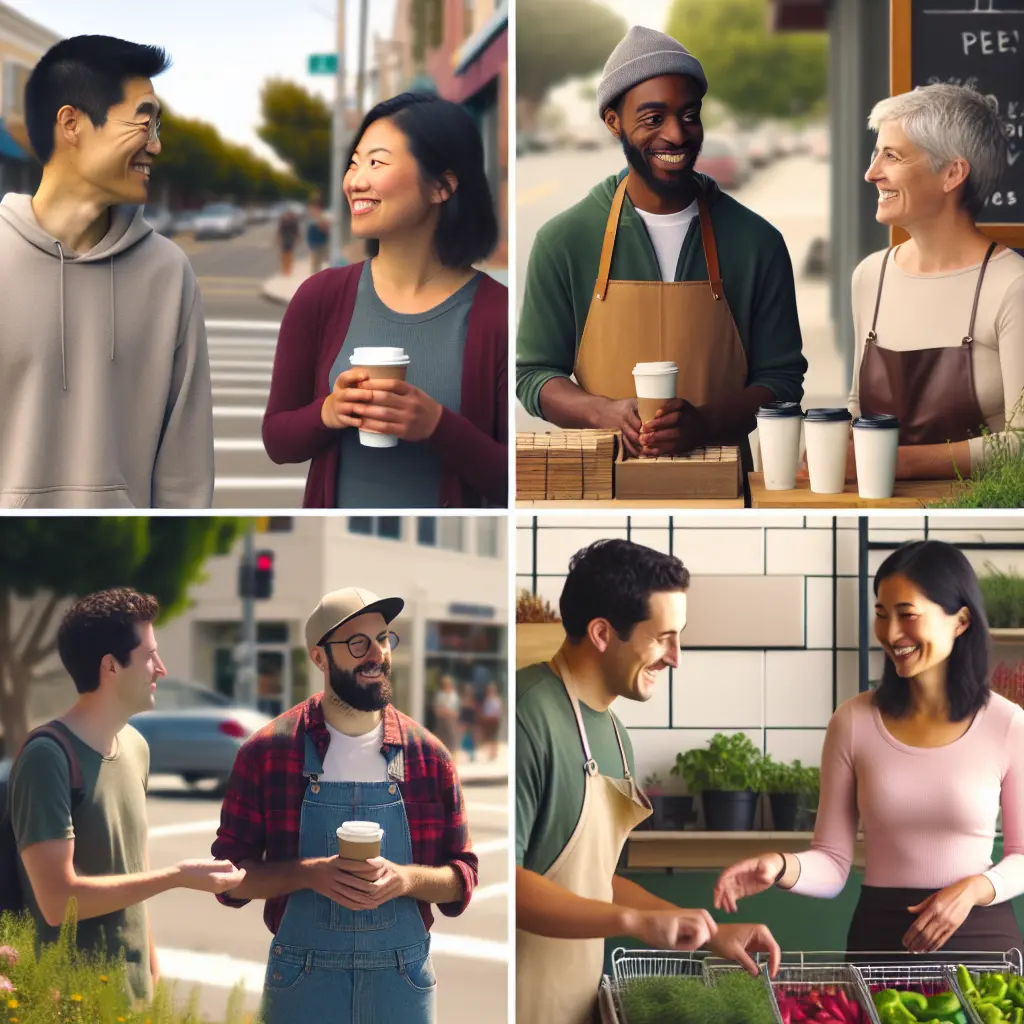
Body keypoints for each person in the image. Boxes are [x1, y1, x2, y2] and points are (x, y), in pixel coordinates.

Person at [715, 540, 1024, 957]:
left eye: (907, 615)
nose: (892, 634)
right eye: (882, 615)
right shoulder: (853, 721)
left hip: (983, 939)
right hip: (880, 940)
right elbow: (832, 863)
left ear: (961, 621)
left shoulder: (1008, 723)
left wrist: (974, 889)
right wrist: (781, 866)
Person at [516, 539, 780, 1024]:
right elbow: (502, 883)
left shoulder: (616, 737)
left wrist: (708, 933)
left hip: (575, 1005)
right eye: (662, 637)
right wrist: (636, 924)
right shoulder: (524, 716)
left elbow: (592, 882)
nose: (676, 657)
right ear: (601, 632)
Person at [516, 26, 806, 466]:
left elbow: (782, 380)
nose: (676, 135)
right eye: (653, 119)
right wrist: (602, 412)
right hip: (600, 489)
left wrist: (705, 423)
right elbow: (534, 375)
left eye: (690, 115)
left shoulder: (757, 243)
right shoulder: (564, 240)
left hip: (723, 490)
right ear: (613, 121)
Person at [211, 587, 478, 1023]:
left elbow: (462, 876)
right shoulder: (267, 753)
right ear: (320, 659)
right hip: (302, 982)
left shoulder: (429, 756)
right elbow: (228, 879)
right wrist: (309, 874)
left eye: (384, 638)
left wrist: (405, 879)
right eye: (358, 643)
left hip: (402, 983)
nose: (377, 654)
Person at [262, 92, 507, 509]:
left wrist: (437, 426)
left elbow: (511, 484)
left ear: (442, 186)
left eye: (376, 163)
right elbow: (278, 440)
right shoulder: (319, 297)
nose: (355, 180)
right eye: (354, 162)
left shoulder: (496, 315)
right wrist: (330, 411)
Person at [0, 35, 214, 508]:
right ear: (72, 124)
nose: (155, 146)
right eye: (143, 122)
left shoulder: (168, 273)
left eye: (159, 127)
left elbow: (186, 467)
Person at [7, 589, 244, 1004]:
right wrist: (178, 878)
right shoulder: (47, 757)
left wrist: (152, 977)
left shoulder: (136, 747)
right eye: (150, 655)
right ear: (111, 666)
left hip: (132, 1000)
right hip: (69, 1002)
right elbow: (57, 902)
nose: (162, 669)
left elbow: (134, 864)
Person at [847, 85, 1024, 481]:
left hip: (978, 515)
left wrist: (892, 463)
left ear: (952, 174)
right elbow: (859, 407)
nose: (872, 173)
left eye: (891, 155)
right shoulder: (870, 276)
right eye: (876, 154)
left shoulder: (1012, 287)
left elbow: (1021, 443)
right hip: (875, 509)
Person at [431, 674, 459, 752]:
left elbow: (456, 711)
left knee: (451, 739)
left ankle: (453, 755)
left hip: (450, 721)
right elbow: (436, 709)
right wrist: (443, 712)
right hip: (441, 720)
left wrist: (448, 712)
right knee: (441, 738)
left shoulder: (454, 696)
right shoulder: (439, 695)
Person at [479, 682, 503, 761]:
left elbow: (498, 711)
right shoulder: (486, 700)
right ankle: (490, 753)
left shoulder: (497, 700)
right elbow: (484, 710)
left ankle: (494, 752)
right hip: (487, 721)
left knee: (494, 737)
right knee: (489, 738)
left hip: (494, 721)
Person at [306, 195, 330, 274]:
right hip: (312, 243)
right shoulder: (311, 217)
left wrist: (319, 222)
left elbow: (326, 230)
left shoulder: (322, 216)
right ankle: (314, 278)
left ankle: (315, 279)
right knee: (314, 264)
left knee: (317, 264)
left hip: (319, 243)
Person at [458, 683, 478, 763]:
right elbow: (461, 713)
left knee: (472, 739)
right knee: (465, 739)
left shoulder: (473, 701)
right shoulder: (463, 701)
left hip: (471, 722)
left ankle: (472, 755)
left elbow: (474, 714)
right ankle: (468, 755)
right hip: (464, 722)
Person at [277, 206, 299, 277]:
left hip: (290, 239)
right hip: (285, 239)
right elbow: (279, 231)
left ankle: (288, 269)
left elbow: (296, 231)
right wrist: (278, 239)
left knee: (289, 254)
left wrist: (297, 238)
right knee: (284, 255)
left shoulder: (293, 221)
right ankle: (285, 269)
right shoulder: (283, 221)